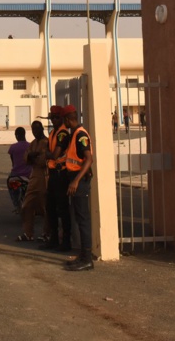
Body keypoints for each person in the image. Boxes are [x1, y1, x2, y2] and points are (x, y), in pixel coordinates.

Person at [61, 105, 95, 271]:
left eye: (63, 120)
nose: (63, 124)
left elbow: (89, 159)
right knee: (78, 218)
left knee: (83, 220)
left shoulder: (80, 134)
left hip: (79, 182)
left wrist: (75, 181)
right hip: (74, 179)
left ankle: (87, 259)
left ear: (68, 119)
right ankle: (83, 255)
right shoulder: (74, 134)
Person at [39, 105, 72, 253]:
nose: (53, 120)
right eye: (51, 117)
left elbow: (55, 154)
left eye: (56, 117)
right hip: (53, 174)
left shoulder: (62, 134)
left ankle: (65, 242)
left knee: (62, 209)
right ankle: (53, 239)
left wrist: (47, 153)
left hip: (61, 174)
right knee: (51, 207)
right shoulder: (54, 133)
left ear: (62, 118)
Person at [18, 121, 50, 242]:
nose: (35, 132)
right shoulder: (33, 143)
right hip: (34, 177)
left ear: (42, 129)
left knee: (45, 207)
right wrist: (32, 155)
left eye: (37, 129)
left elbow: (43, 160)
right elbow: (26, 158)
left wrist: (33, 156)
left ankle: (46, 233)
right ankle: (28, 233)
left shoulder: (46, 142)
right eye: (33, 130)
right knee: (27, 205)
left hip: (44, 177)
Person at [6, 127, 31, 213]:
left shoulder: (13, 147)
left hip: (15, 174)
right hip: (28, 175)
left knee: (10, 186)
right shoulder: (30, 146)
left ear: (16, 136)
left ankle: (16, 205)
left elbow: (13, 162)